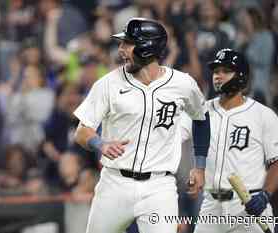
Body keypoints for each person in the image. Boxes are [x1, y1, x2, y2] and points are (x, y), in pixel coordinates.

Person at [73, 17, 210, 233]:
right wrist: (100, 143)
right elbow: (81, 131)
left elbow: (201, 118)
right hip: (114, 183)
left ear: (147, 47)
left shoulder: (182, 84)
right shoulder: (108, 84)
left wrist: (199, 166)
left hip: (159, 187)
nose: (121, 49)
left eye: (127, 43)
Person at [193, 48, 278, 233]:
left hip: (249, 204)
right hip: (211, 206)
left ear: (241, 76)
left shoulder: (263, 115)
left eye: (225, 71)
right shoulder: (202, 112)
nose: (218, 76)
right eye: (216, 71)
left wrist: (265, 195)